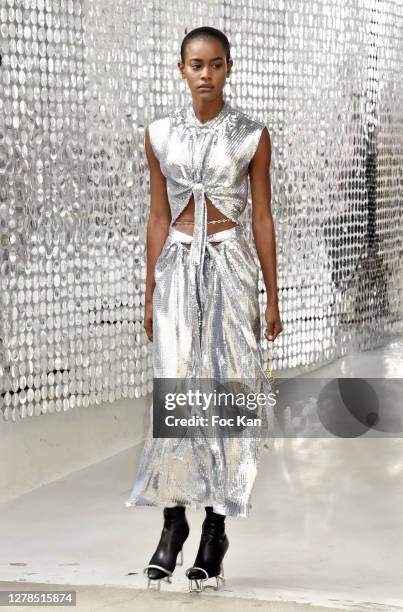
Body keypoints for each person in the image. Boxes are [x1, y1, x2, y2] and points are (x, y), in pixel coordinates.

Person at [125, 26, 282, 592]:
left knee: (229, 389)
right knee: (175, 388)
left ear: (229, 68)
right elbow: (157, 215)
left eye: (216, 64)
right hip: (174, 272)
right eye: (197, 64)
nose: (206, 74)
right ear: (181, 68)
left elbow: (262, 216)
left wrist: (272, 291)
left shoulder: (252, 134)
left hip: (232, 267)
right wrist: (149, 289)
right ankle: (172, 523)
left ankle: (216, 527)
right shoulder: (159, 134)